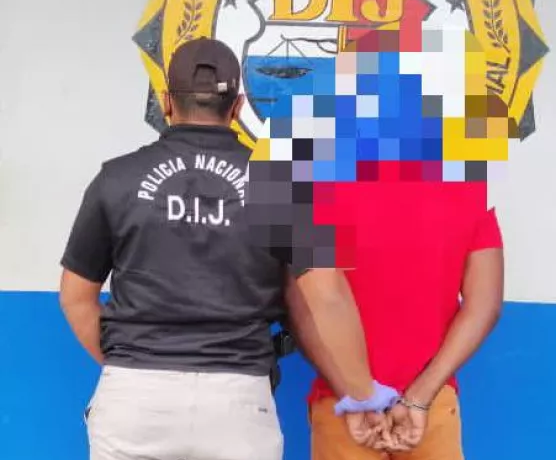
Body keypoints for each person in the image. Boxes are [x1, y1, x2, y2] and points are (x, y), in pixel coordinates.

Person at [59, 37, 397, 460]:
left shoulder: (116, 179)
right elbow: (327, 295)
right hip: (238, 403)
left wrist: (131, 368)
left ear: (167, 102)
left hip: (134, 400)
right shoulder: (283, 183)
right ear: (236, 106)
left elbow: (75, 298)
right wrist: (362, 395)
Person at [284, 28, 506, 460]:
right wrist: (420, 396)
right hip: (431, 405)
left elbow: (302, 304)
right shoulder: (469, 182)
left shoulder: (312, 181)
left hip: (344, 405)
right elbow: (485, 303)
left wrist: (357, 394)